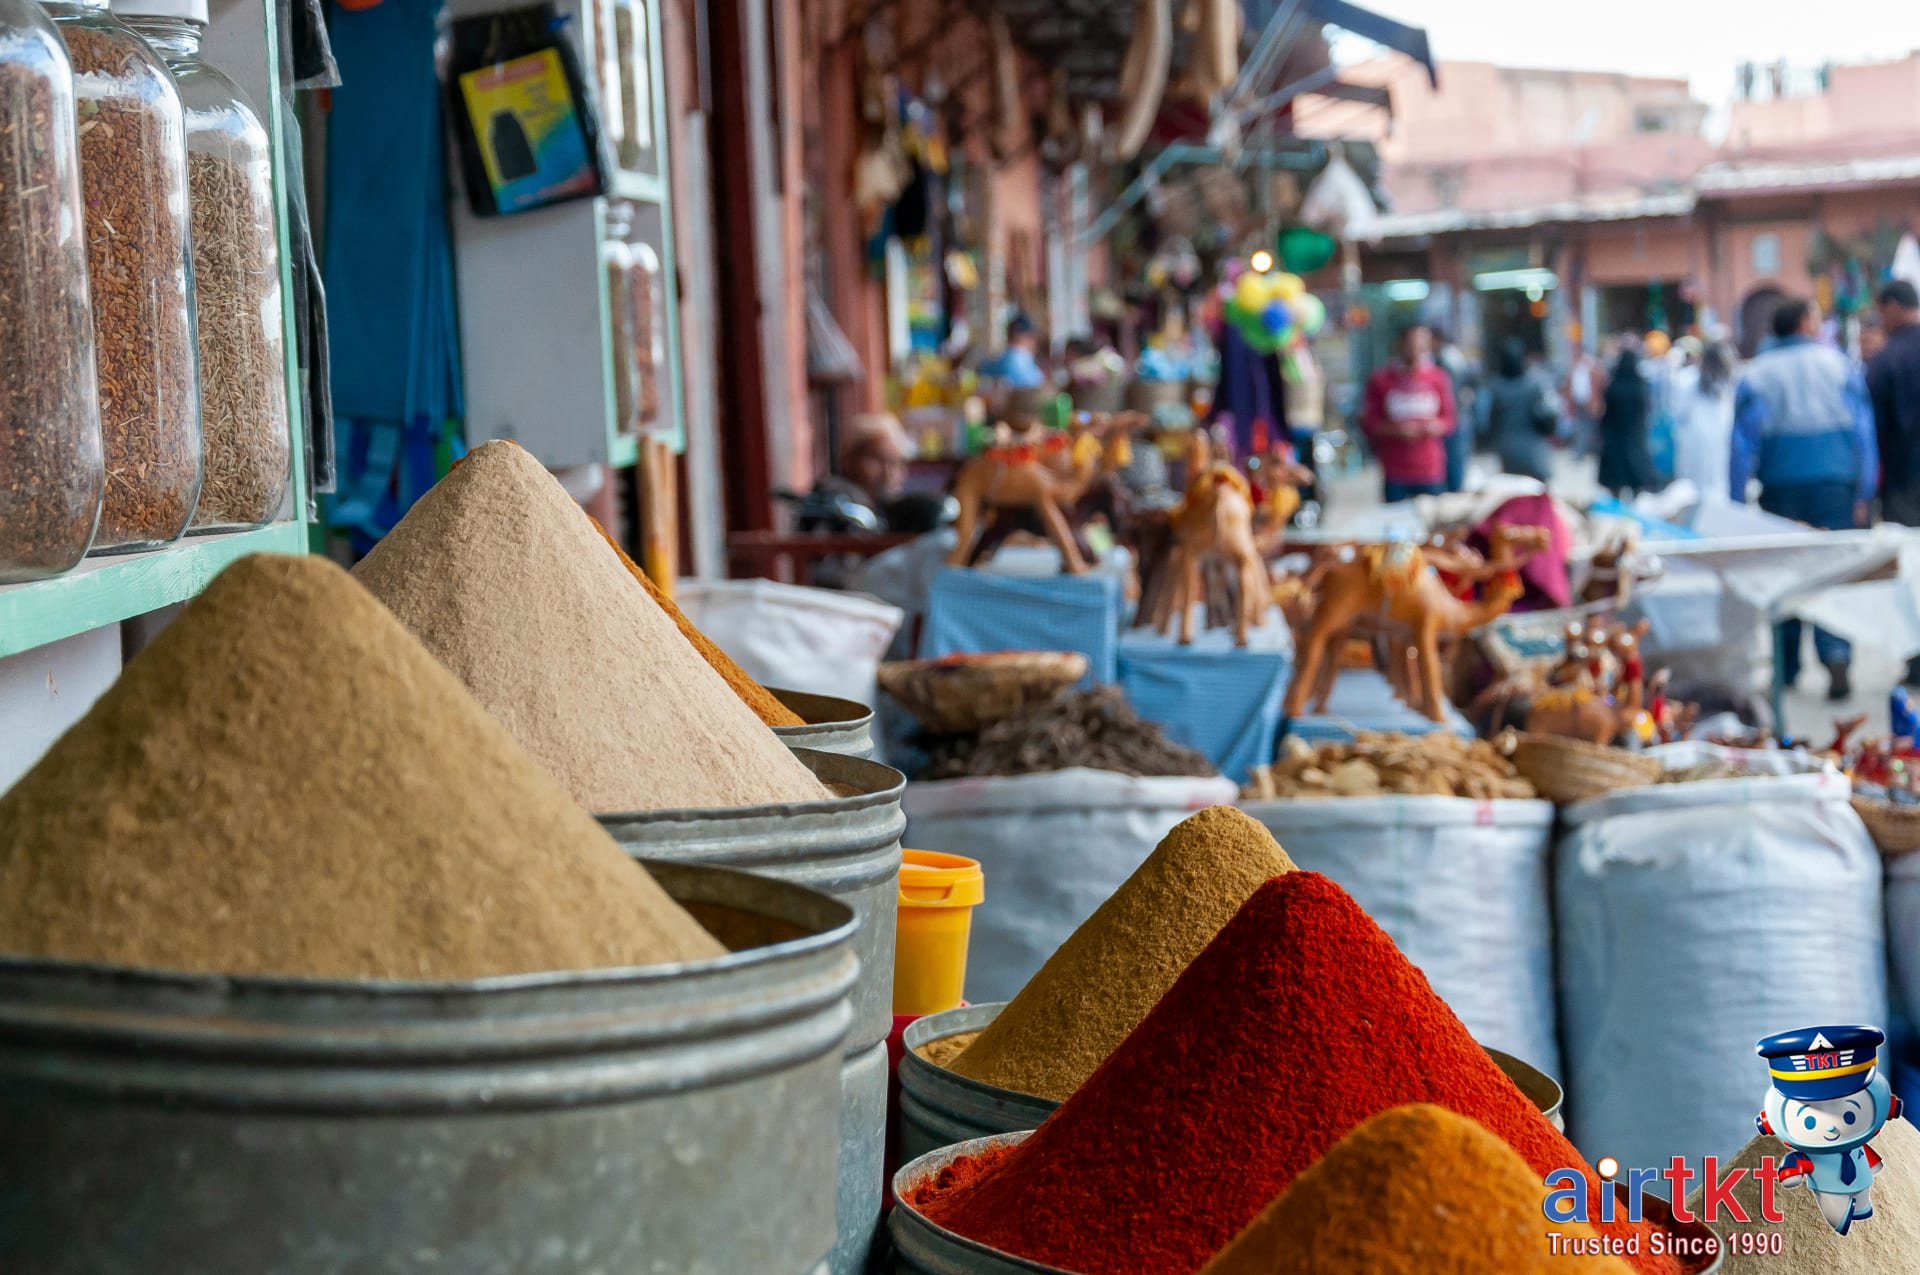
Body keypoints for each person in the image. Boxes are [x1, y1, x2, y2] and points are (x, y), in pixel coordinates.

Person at [1732, 297, 1879, 701]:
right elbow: (1863, 433)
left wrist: (1735, 502)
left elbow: (1742, 443)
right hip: (1835, 484)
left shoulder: (1756, 373)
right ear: (1802, 321)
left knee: (1786, 573)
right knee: (1831, 572)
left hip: (1780, 487)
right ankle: (1836, 656)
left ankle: (1787, 666)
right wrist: (1865, 489)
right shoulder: (1838, 366)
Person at [1868, 280, 1920, 684]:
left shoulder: (1886, 362)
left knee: (1911, 571)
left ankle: (1917, 657)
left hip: (1904, 480)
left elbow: (1872, 432)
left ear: (1893, 307)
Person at [1360, 323, 1456, 502]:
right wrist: (1397, 431)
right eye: (1412, 343)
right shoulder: (1381, 379)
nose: (1416, 348)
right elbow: (1370, 422)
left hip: (1431, 469)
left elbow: (1449, 420)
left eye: (1422, 343)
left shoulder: (1439, 377)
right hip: (1396, 470)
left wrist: (1435, 426)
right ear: (1401, 343)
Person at [1477, 337, 1558, 482]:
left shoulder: (1495, 387)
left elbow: (1487, 421)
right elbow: (1548, 415)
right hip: (1533, 450)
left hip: (1507, 450)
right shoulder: (1535, 383)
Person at [1671, 341, 1737, 502]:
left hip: (1696, 440)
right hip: (1713, 441)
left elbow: (1676, 411)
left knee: (1696, 489)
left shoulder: (1687, 379)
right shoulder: (1725, 383)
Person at [1597, 336, 1656, 498]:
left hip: (1614, 438)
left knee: (1615, 481)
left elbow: (1606, 411)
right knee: (1635, 478)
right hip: (1634, 437)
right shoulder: (1640, 386)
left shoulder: (1614, 386)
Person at [1434, 327, 1476, 490]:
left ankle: (1455, 492)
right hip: (1460, 415)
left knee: (1453, 460)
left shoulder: (1445, 360)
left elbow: (1450, 392)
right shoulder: (1454, 356)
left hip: (1454, 417)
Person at [978, 313, 1048, 389]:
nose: (1034, 342)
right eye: (1032, 337)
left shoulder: (998, 360)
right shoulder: (1018, 358)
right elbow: (1037, 388)